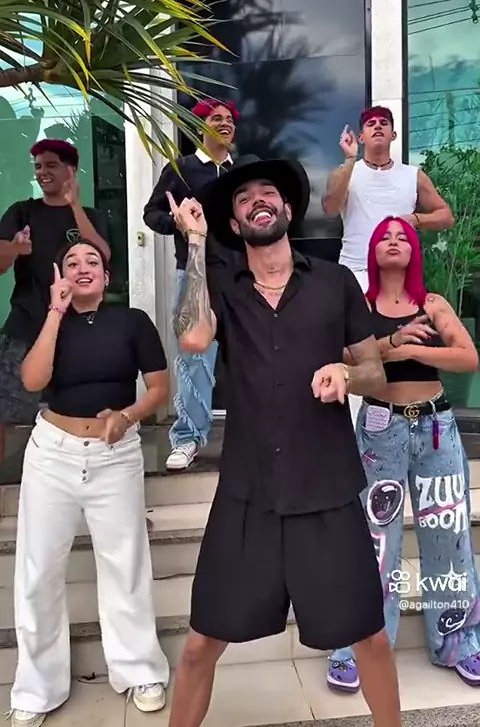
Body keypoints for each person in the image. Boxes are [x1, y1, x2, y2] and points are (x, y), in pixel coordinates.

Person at [164, 153, 403, 727]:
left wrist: (347, 374)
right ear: (235, 223)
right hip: (248, 495)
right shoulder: (223, 287)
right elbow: (193, 339)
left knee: (369, 638)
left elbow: (375, 371)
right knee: (199, 646)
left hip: (327, 490)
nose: (257, 202)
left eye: (266, 193)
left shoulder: (335, 283)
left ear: (288, 209)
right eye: (243, 199)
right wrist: (195, 243)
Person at [10, 241, 170, 727]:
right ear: (60, 276)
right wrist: (55, 312)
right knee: (38, 571)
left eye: (93, 262)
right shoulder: (51, 320)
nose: (83, 268)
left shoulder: (133, 322)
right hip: (52, 455)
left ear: (107, 276)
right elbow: (33, 380)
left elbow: (159, 390)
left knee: (125, 564)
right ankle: (37, 688)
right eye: (72, 263)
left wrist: (128, 415)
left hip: (114, 455)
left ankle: (140, 670)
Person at [328, 217, 480, 693]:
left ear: (414, 250)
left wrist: (416, 350)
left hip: (436, 427)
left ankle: (458, 641)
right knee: (374, 541)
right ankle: (359, 646)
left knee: (448, 534)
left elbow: (468, 357)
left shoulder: (433, 304)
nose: (394, 241)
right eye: (385, 237)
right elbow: (347, 361)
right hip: (381, 427)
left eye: (403, 237)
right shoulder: (360, 304)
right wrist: (395, 342)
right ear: (372, 250)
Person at [322, 105, 454, 424]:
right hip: (354, 273)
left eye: (384, 122)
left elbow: (445, 216)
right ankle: (353, 429)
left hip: (398, 279)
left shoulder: (412, 175)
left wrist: (415, 219)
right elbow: (329, 207)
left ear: (394, 134)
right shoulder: (348, 171)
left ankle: (393, 423)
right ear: (362, 136)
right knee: (352, 353)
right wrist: (349, 160)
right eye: (370, 123)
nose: (378, 126)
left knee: (394, 350)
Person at [143, 98, 239, 471]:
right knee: (194, 361)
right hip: (195, 274)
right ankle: (187, 439)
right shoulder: (181, 169)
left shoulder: (241, 170)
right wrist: (177, 222)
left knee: (250, 358)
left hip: (240, 277)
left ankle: (251, 438)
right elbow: (151, 214)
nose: (225, 123)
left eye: (230, 119)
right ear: (201, 126)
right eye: (217, 118)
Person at [0, 139, 110, 462]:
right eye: (38, 167)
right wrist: (16, 248)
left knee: (79, 408)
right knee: (4, 409)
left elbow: (102, 255)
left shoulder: (90, 216)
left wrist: (74, 206)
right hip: (26, 326)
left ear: (71, 170)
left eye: (51, 165)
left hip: (77, 329)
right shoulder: (22, 212)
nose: (42, 172)